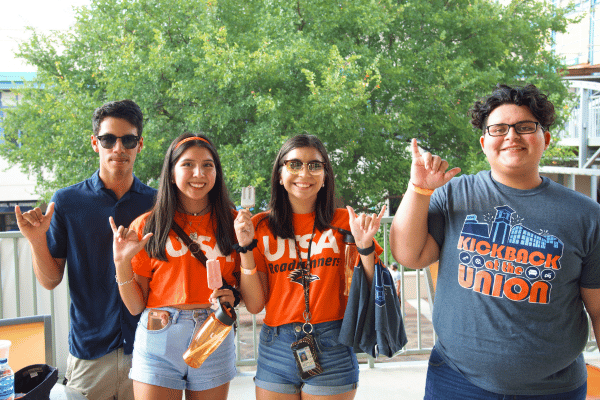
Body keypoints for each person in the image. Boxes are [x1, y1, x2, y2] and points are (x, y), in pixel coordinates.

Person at [389, 83, 600, 399]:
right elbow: (409, 255)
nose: (511, 136)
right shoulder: (454, 195)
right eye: (499, 129)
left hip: (554, 389)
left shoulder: (586, 215)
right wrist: (418, 189)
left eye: (524, 127)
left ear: (546, 138)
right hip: (456, 382)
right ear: (484, 142)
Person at [14, 99, 156, 400]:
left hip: (149, 346)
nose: (118, 148)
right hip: (89, 351)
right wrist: (37, 240)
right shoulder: (67, 201)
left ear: (139, 145)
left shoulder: (158, 203)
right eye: (108, 139)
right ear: (95, 143)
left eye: (128, 139)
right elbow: (50, 280)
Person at [235, 134, 386, 400]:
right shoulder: (259, 226)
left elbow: (371, 288)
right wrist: (246, 248)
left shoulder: (345, 222)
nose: (304, 172)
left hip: (333, 342)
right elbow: (256, 305)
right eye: (294, 164)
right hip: (276, 346)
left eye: (314, 165)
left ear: (325, 176)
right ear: (280, 175)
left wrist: (365, 248)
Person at [110, 133, 239, 400]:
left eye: (207, 165)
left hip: (214, 331)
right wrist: (121, 262)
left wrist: (234, 295)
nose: (198, 173)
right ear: (171, 173)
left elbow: (248, 290)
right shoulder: (147, 226)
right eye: (187, 164)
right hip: (159, 333)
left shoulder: (234, 223)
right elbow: (135, 306)